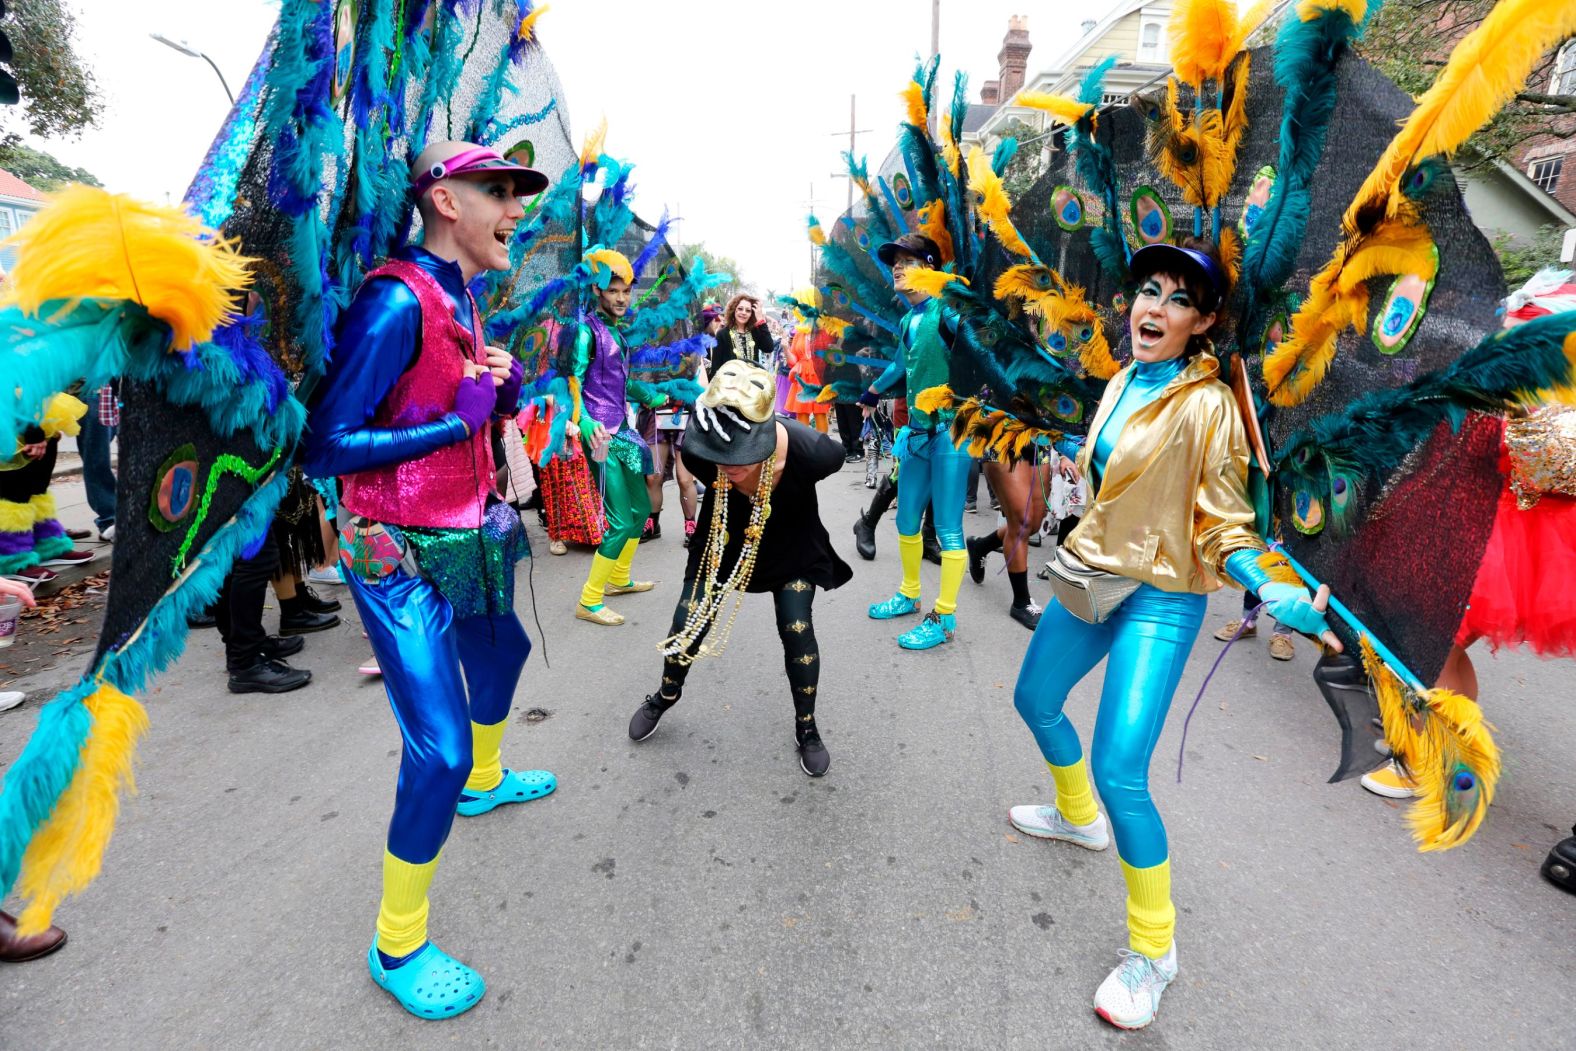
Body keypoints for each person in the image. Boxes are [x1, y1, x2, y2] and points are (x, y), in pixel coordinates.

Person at [1006, 241, 1338, 1030]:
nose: (1151, 308)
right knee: (1035, 699)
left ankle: (1154, 952)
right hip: (1093, 576)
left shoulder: (1209, 404)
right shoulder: (1123, 378)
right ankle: (1075, 816)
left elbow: (1224, 521)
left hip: (1160, 597)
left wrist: (1269, 583)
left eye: (1177, 299)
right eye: (1146, 291)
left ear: (1206, 320)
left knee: (1124, 767)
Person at [303, 141, 556, 1019]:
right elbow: (325, 448)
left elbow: (471, 404)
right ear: (446, 200)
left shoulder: (462, 292)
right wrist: (456, 423)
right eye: (501, 192)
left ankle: (487, 779)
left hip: (470, 529)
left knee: (505, 651)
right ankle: (396, 940)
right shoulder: (391, 301)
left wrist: (505, 388)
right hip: (395, 549)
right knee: (436, 748)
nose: (515, 210)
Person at [1363, 270, 1576, 800]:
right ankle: (1428, 741)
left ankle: (1431, 762)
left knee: (1438, 638)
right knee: (1430, 638)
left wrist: (1521, 407)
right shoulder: (1553, 289)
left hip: (1518, 520)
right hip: (1474, 493)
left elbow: (1557, 441)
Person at [627, 362, 850, 776]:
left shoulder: (818, 454)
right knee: (688, 619)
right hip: (721, 539)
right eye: (720, 457)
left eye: (740, 456)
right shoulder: (697, 451)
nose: (727, 466)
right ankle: (666, 694)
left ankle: (807, 727)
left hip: (791, 542)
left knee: (795, 624)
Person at [860, 234, 970, 650]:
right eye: (894, 262)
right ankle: (909, 593)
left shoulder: (949, 313)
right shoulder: (909, 321)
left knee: (947, 529)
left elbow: (982, 356)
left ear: (929, 267)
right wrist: (873, 391)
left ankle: (944, 617)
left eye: (907, 261)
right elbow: (900, 365)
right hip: (917, 435)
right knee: (906, 521)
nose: (897, 267)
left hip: (950, 433)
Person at [568, 251, 669, 626]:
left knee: (641, 510)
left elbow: (616, 384)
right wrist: (586, 420)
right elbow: (573, 381)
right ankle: (589, 600)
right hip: (600, 438)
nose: (622, 298)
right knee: (619, 522)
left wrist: (648, 396)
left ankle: (618, 580)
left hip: (623, 433)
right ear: (597, 290)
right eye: (614, 290)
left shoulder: (615, 333)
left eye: (626, 291)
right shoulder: (586, 331)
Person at [1, 394, 96, 586]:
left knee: (37, 487)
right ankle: (12, 558)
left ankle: (47, 545)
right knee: (14, 493)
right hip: (12, 413)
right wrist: (33, 434)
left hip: (34, 407)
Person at [965, 452, 1062, 630]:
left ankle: (980, 546)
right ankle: (1021, 602)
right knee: (1022, 522)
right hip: (1003, 438)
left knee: (1033, 525)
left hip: (1039, 440)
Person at [78, 380, 118, 542]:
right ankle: (111, 518)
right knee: (97, 460)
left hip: (127, 387)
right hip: (94, 390)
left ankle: (127, 517)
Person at [783, 321, 832, 433]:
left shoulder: (825, 332)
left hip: (819, 374)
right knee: (802, 413)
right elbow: (793, 361)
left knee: (820, 413)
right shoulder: (799, 333)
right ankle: (804, 447)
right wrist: (785, 348)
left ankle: (823, 446)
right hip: (802, 376)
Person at [709, 293, 774, 373]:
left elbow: (769, 348)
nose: (744, 313)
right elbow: (716, 366)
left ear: (751, 314)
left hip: (752, 383)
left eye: (748, 310)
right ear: (734, 310)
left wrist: (760, 319)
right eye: (740, 309)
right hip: (730, 383)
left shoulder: (755, 332)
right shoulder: (722, 334)